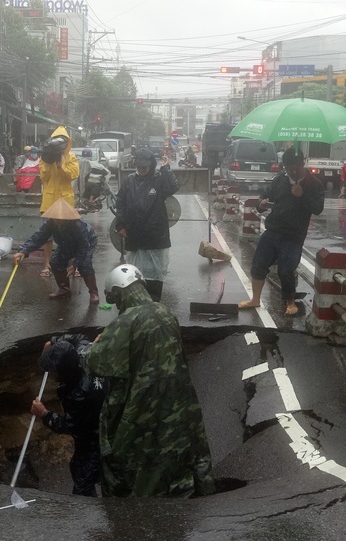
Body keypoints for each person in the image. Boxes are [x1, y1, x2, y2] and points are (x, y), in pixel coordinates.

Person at [84, 264, 215, 498]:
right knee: (178, 447)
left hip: (143, 406)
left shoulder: (125, 322)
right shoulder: (165, 311)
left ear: (118, 293)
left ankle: (139, 515)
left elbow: (96, 363)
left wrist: (91, 348)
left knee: (137, 457)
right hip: (180, 401)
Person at [238, 147, 325, 316]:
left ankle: (290, 302)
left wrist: (302, 195)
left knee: (286, 270)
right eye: (288, 168)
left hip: (294, 235)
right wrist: (261, 203)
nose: (291, 171)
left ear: (303, 164)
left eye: (295, 167)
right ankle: (255, 299)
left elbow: (317, 208)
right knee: (258, 265)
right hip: (273, 231)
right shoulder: (280, 181)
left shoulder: (314, 184)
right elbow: (265, 197)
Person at [29, 334, 106, 496]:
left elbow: (69, 425)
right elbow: (78, 337)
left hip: (99, 436)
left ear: (63, 371)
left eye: (54, 370)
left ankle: (98, 514)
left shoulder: (80, 395)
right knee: (77, 466)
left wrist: (44, 414)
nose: (52, 374)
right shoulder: (83, 350)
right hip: (99, 416)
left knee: (83, 481)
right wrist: (53, 342)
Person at [114, 149, 179, 301]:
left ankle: (154, 302)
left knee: (156, 272)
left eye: (145, 167)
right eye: (139, 166)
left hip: (155, 233)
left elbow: (173, 187)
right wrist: (120, 225)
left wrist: (166, 169)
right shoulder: (129, 180)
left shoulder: (159, 179)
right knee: (135, 272)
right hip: (134, 232)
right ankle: (136, 302)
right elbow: (121, 202)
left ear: (151, 165)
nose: (142, 170)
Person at [14, 198, 100, 303]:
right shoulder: (50, 223)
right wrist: (24, 250)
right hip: (65, 243)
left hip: (87, 242)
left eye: (59, 219)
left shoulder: (78, 225)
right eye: (55, 218)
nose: (57, 220)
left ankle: (93, 292)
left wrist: (75, 264)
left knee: (84, 264)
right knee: (55, 263)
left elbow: (83, 246)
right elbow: (38, 237)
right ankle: (64, 290)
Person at [37, 126, 80, 277]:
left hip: (65, 200)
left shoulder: (72, 157)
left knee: (72, 234)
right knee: (47, 236)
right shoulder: (45, 158)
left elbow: (73, 175)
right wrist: (50, 163)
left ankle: (74, 266)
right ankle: (47, 265)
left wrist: (61, 166)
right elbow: (44, 177)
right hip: (49, 200)